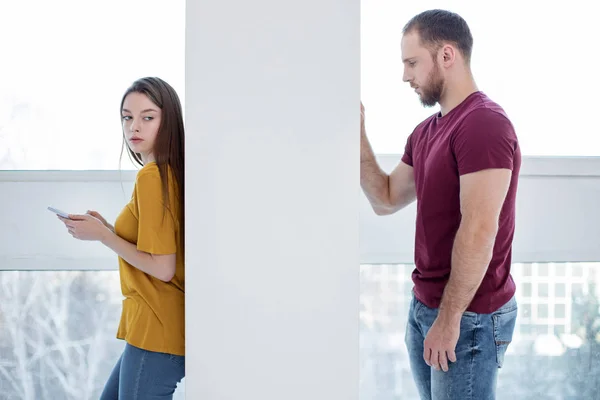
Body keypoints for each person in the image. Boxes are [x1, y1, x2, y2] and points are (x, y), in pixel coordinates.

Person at [360, 9, 521, 400]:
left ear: (447, 55)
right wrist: (356, 133)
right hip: (426, 307)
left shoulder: (484, 124)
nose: (405, 75)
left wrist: (449, 320)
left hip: (468, 316)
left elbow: (480, 229)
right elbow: (384, 198)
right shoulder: (426, 132)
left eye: (412, 62)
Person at [58, 77, 185, 399]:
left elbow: (163, 268)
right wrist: (110, 231)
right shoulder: (166, 174)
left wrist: (103, 236)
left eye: (148, 117)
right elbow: (157, 248)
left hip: (158, 327)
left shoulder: (153, 177)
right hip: (155, 326)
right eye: (127, 117)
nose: (134, 127)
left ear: (168, 121)